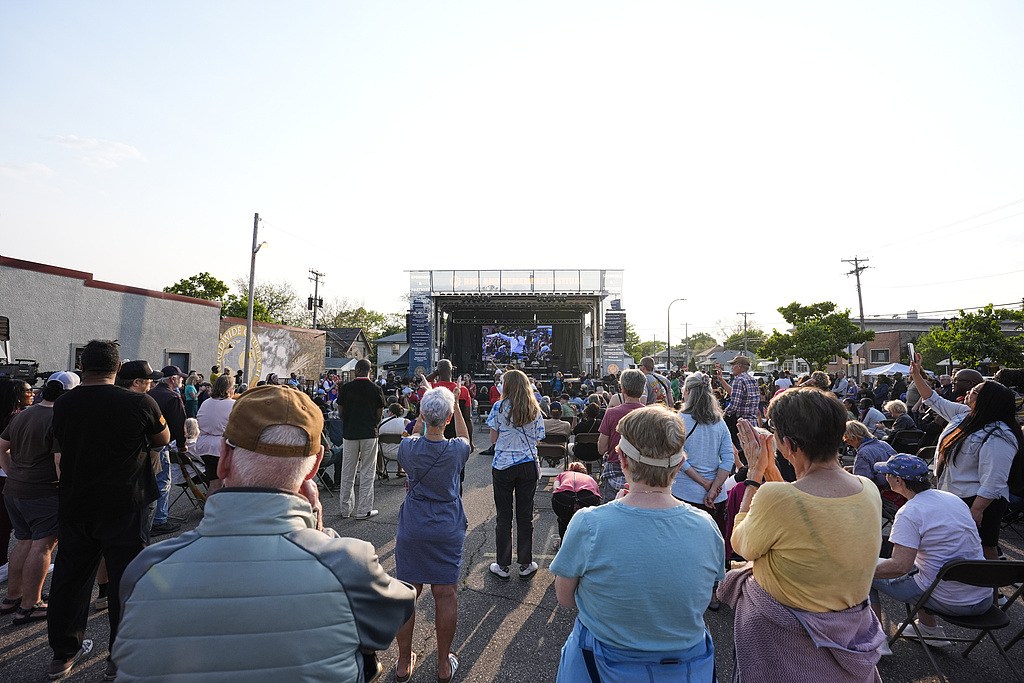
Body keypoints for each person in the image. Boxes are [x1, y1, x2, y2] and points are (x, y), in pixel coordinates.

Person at [113, 384, 416, 680]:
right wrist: (318, 534)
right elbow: (397, 612)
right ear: (314, 467)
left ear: (225, 457)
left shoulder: (145, 570)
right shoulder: (350, 565)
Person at [721, 388, 885, 682]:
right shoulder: (867, 488)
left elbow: (741, 543)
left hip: (787, 639)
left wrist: (755, 475)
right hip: (850, 632)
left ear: (786, 443)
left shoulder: (778, 498)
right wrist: (771, 471)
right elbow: (800, 508)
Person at [551, 406, 724, 682]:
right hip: (686, 668)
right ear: (679, 465)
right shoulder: (706, 527)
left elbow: (565, 598)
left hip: (600, 664)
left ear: (623, 460)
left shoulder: (589, 523)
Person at [47, 340, 170, 680]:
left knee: (71, 581)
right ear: (117, 370)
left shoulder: (64, 403)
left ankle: (62, 654)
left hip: (76, 503)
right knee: (126, 581)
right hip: (125, 503)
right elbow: (163, 438)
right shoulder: (139, 401)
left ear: (82, 367)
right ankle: (121, 655)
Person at [870, 454, 992, 653]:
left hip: (951, 601)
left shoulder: (910, 512)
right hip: (982, 596)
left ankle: (875, 640)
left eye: (887, 474)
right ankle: (928, 630)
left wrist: (856, 570)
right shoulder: (952, 498)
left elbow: (899, 567)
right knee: (927, 569)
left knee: (864, 574)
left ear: (898, 480)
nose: (885, 477)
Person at [909, 353, 1023, 560]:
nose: (970, 391)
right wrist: (917, 373)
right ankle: (972, 588)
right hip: (954, 495)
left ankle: (996, 592)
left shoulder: (999, 434)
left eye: (976, 391)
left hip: (979, 500)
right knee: (960, 546)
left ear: (988, 400)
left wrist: (977, 510)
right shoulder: (964, 414)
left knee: (986, 549)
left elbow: (994, 479)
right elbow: (933, 400)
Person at [394, 386, 472, 683]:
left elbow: (415, 430)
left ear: (424, 415)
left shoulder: (408, 448)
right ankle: (442, 665)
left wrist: (424, 410)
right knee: (446, 593)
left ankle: (403, 662)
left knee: (407, 592)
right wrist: (456, 407)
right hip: (446, 525)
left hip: (414, 523)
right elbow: (465, 437)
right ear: (450, 416)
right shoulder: (455, 450)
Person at [672, 372, 735, 610]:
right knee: (712, 544)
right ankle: (713, 592)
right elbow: (728, 457)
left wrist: (703, 483)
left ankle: (685, 590)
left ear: (686, 392)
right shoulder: (719, 422)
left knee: (683, 544)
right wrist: (714, 487)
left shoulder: (679, 420)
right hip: (716, 497)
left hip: (685, 492)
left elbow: (678, 457)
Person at [0, 378, 60, 625]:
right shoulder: (57, 419)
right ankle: (30, 604)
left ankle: (12, 598)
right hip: (42, 491)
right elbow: (59, 462)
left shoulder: (22, 415)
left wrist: (12, 473)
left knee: (24, 542)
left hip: (14, 489)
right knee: (43, 545)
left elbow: (1, 447)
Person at [486, 369, 545, 580]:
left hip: (503, 465)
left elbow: (493, 439)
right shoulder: (534, 408)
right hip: (528, 464)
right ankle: (526, 563)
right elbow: (538, 439)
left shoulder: (499, 407)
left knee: (504, 515)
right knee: (525, 515)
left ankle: (502, 565)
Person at [337, 358, 386, 519]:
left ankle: (345, 509)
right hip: (369, 434)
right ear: (369, 371)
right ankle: (363, 510)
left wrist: (348, 423)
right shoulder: (376, 389)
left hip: (350, 433)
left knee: (348, 471)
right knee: (367, 472)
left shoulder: (346, 388)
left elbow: (340, 412)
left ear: (357, 370)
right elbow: (380, 413)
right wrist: (375, 425)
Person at [147, 365, 189, 536]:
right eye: (180, 378)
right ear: (173, 379)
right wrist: (182, 445)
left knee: (151, 480)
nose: (182, 381)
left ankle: (150, 518)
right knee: (163, 481)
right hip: (162, 443)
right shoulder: (172, 397)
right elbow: (180, 425)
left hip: (148, 443)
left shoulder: (150, 394)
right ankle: (159, 520)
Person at [597, 369, 646, 501]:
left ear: (622, 389)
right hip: (642, 473)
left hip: (615, 470)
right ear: (642, 389)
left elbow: (601, 449)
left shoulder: (611, 413)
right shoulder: (650, 415)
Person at [715, 355, 761, 450]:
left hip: (742, 425)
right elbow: (736, 394)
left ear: (739, 366)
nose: (732, 367)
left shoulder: (739, 380)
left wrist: (723, 414)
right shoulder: (752, 380)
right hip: (753, 423)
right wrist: (722, 380)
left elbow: (734, 405)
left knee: (741, 455)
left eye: (733, 365)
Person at [550, 462, 600, 545]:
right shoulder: (589, 478)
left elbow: (555, 488)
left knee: (563, 520)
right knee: (587, 522)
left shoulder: (563, 474)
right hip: (587, 497)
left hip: (565, 498)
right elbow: (596, 493)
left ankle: (564, 544)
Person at [844, 420, 897, 489]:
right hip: (894, 483)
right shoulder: (884, 444)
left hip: (880, 488)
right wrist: (856, 466)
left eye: (848, 441)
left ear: (854, 438)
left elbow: (863, 481)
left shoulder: (863, 453)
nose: (849, 444)